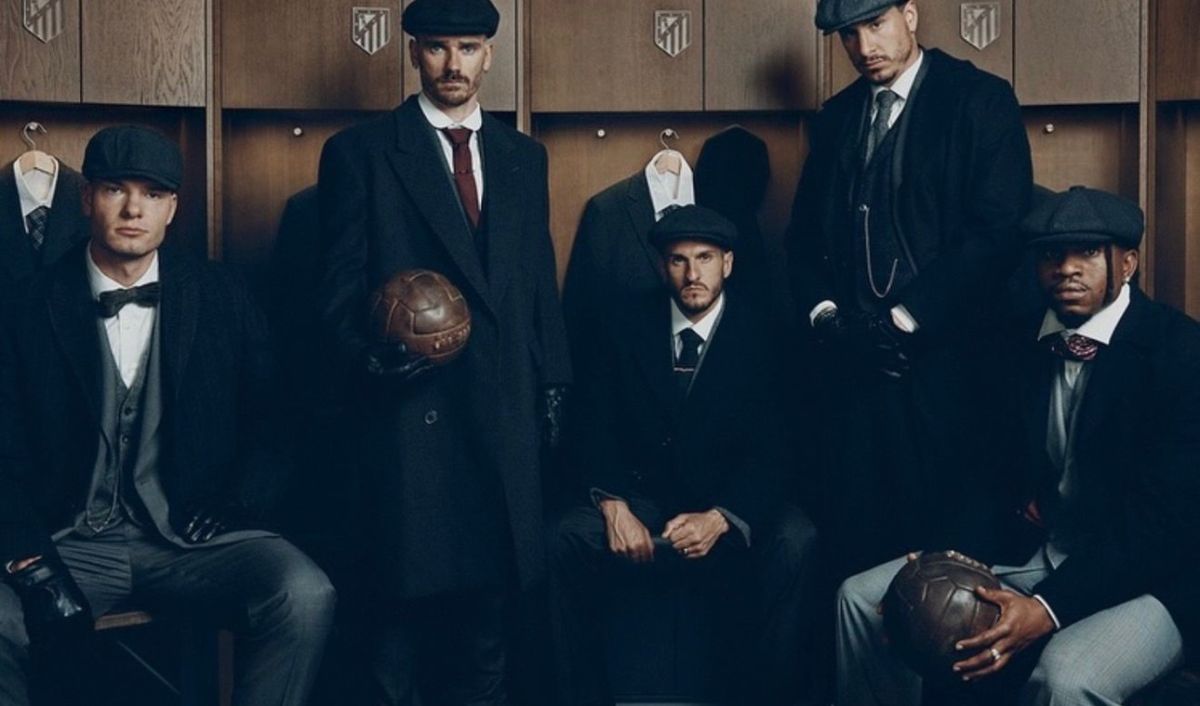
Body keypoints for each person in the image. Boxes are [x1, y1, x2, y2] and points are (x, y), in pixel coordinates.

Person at [0, 125, 335, 706]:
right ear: (87, 199)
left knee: (304, 594)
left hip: (189, 539)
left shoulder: (222, 293)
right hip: (70, 540)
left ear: (172, 208)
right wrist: (32, 563)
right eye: (116, 190)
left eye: (153, 194)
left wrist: (240, 499)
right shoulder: (26, 306)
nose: (134, 210)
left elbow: (278, 418)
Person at [836, 187, 1200, 706]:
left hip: (1155, 577)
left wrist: (1047, 608)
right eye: (1052, 254)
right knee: (862, 599)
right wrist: (940, 559)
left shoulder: (1182, 353)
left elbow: (1161, 523)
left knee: (1066, 678)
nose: (1067, 269)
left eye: (1088, 252)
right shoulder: (1017, 343)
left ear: (1128, 263)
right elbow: (984, 472)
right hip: (1038, 550)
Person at [316, 0, 571, 702]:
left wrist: (555, 385)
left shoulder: (524, 157)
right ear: (413, 53)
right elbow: (336, 290)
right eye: (436, 47)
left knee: (489, 627)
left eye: (467, 47)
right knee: (397, 632)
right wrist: (363, 357)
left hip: (504, 417)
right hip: (410, 418)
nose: (453, 64)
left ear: (490, 54)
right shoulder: (361, 152)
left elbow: (537, 283)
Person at [785, 0, 1034, 578]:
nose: (864, 47)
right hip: (856, 378)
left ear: (911, 15)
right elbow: (801, 242)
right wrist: (829, 320)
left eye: (876, 25)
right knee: (859, 555)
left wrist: (903, 318)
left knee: (949, 568)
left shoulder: (979, 99)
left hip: (953, 376)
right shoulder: (837, 117)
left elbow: (999, 229)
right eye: (850, 35)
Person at [549, 205, 818, 706]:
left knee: (795, 540)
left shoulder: (766, 331)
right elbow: (591, 424)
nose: (692, 274)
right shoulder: (621, 323)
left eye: (705, 258)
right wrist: (613, 505)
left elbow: (780, 446)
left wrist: (723, 517)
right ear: (661, 266)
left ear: (728, 263)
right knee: (563, 538)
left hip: (726, 501)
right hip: (641, 498)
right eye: (678, 260)